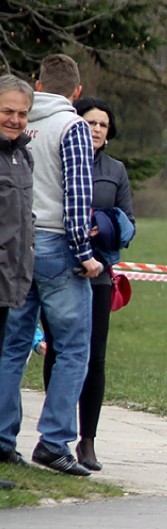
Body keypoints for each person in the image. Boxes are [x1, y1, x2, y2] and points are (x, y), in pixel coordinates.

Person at [0, 54, 101, 476]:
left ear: (37, 85)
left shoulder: (26, 125)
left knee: (14, 348)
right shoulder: (72, 126)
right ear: (76, 93)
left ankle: (4, 438)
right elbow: (77, 195)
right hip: (60, 246)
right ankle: (55, 440)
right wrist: (85, 253)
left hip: (22, 246)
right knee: (74, 349)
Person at [40, 97, 135, 472]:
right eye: (90, 122)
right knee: (60, 353)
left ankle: (88, 440)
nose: (97, 129)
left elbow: (129, 224)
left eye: (103, 125)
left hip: (100, 274)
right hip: (62, 268)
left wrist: (104, 225)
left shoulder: (116, 170)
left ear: (110, 133)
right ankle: (53, 435)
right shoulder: (61, 158)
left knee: (95, 357)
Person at [0, 74, 34, 366]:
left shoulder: (22, 157)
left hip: (11, 281)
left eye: (22, 114)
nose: (15, 120)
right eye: (7, 111)